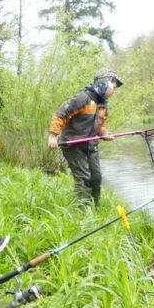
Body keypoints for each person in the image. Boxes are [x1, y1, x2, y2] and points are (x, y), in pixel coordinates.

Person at [47, 68, 124, 205]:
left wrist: (105, 134)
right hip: (73, 146)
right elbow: (60, 114)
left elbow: (99, 126)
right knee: (83, 179)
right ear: (103, 83)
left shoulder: (103, 105)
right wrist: (53, 136)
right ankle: (81, 212)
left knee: (96, 178)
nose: (114, 91)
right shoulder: (83, 98)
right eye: (113, 87)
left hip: (91, 146)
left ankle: (95, 209)